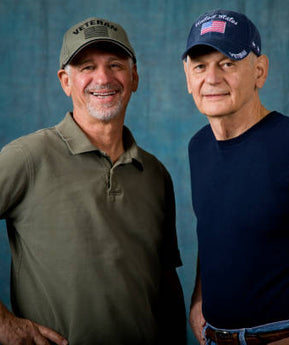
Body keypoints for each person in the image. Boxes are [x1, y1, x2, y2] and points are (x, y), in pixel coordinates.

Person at [0, 17, 186, 345]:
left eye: (115, 64)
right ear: (65, 81)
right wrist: (3, 324)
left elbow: (166, 284)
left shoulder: (155, 175)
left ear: (134, 77)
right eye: (87, 66)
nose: (103, 78)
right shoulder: (28, 158)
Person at [182, 9, 289, 345]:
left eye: (227, 63)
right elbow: (217, 231)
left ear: (259, 71)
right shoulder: (198, 147)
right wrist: (200, 300)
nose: (211, 78)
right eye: (200, 66)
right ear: (188, 77)